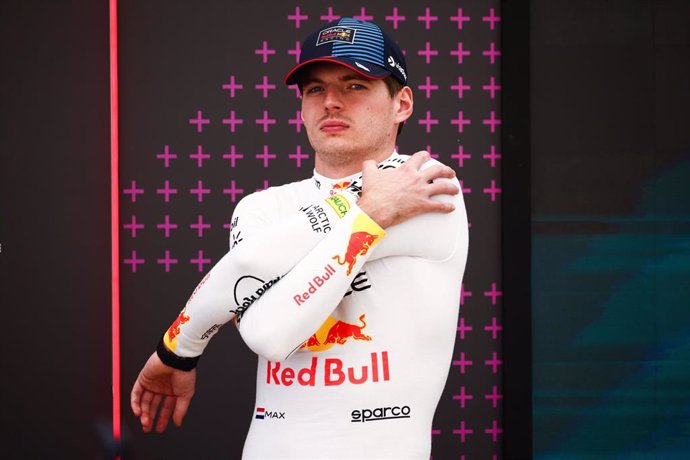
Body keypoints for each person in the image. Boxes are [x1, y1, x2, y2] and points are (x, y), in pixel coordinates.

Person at [131, 17, 468, 458]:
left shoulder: (425, 186)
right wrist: (369, 215)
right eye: (315, 89)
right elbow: (266, 327)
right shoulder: (260, 207)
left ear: (402, 103)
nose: (331, 102)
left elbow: (269, 329)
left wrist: (178, 351)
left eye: (355, 85)